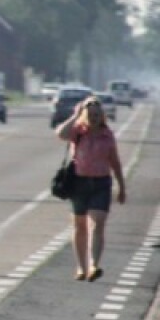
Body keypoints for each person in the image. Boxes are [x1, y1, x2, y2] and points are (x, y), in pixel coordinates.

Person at [55, 95, 126, 281]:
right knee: (80, 226)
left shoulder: (107, 135)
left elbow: (115, 161)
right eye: (90, 113)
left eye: (96, 114)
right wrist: (75, 115)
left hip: (101, 183)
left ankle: (94, 264)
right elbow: (60, 134)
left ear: (101, 115)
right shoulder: (77, 131)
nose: (93, 117)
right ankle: (81, 267)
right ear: (85, 114)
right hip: (79, 183)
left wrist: (121, 185)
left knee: (98, 223)